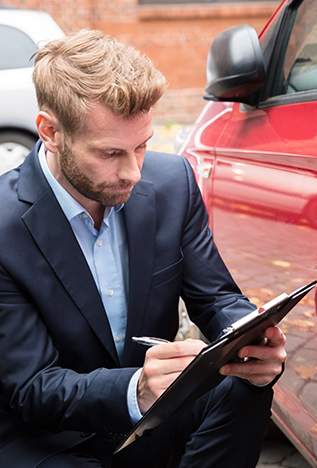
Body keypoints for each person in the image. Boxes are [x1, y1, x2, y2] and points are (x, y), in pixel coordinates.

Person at [0, 30, 287, 467]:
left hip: (152, 412)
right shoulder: (4, 225)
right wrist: (133, 388)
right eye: (111, 153)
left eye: (143, 145)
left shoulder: (171, 182)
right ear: (50, 132)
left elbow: (216, 297)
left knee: (244, 386)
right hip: (47, 437)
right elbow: (31, 387)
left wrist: (250, 339)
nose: (134, 172)